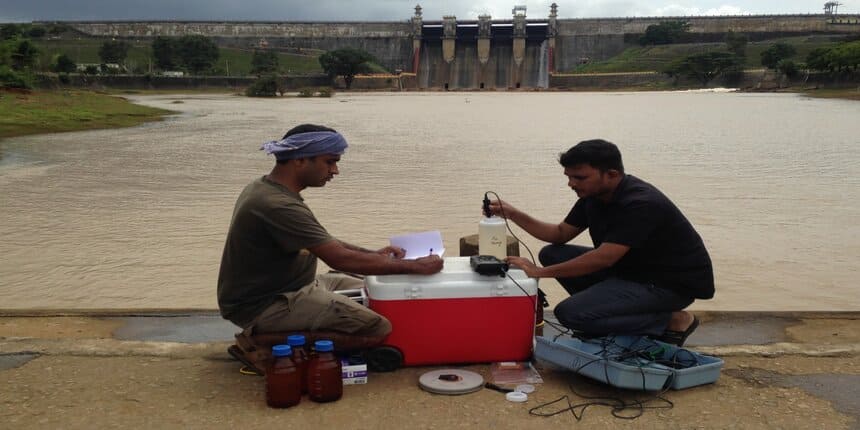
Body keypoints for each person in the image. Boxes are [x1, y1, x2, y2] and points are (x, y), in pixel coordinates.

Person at [218, 124, 443, 373]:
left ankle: (286, 331)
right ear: (300, 160)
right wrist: (415, 266)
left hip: (298, 287)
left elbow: (323, 241)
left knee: (374, 291)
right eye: (330, 162)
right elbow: (339, 259)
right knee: (377, 328)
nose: (335, 170)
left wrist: (373, 255)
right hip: (266, 304)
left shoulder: (269, 189)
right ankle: (259, 341)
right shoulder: (277, 204)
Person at [488, 139, 713, 346]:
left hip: (668, 285)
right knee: (552, 253)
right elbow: (560, 233)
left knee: (569, 314)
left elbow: (605, 258)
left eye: (580, 177)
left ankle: (671, 320)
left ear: (612, 174)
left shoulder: (640, 203)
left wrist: (539, 272)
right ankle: (602, 317)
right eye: (569, 177)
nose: (571, 184)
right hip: (633, 272)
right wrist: (513, 214)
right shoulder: (594, 196)